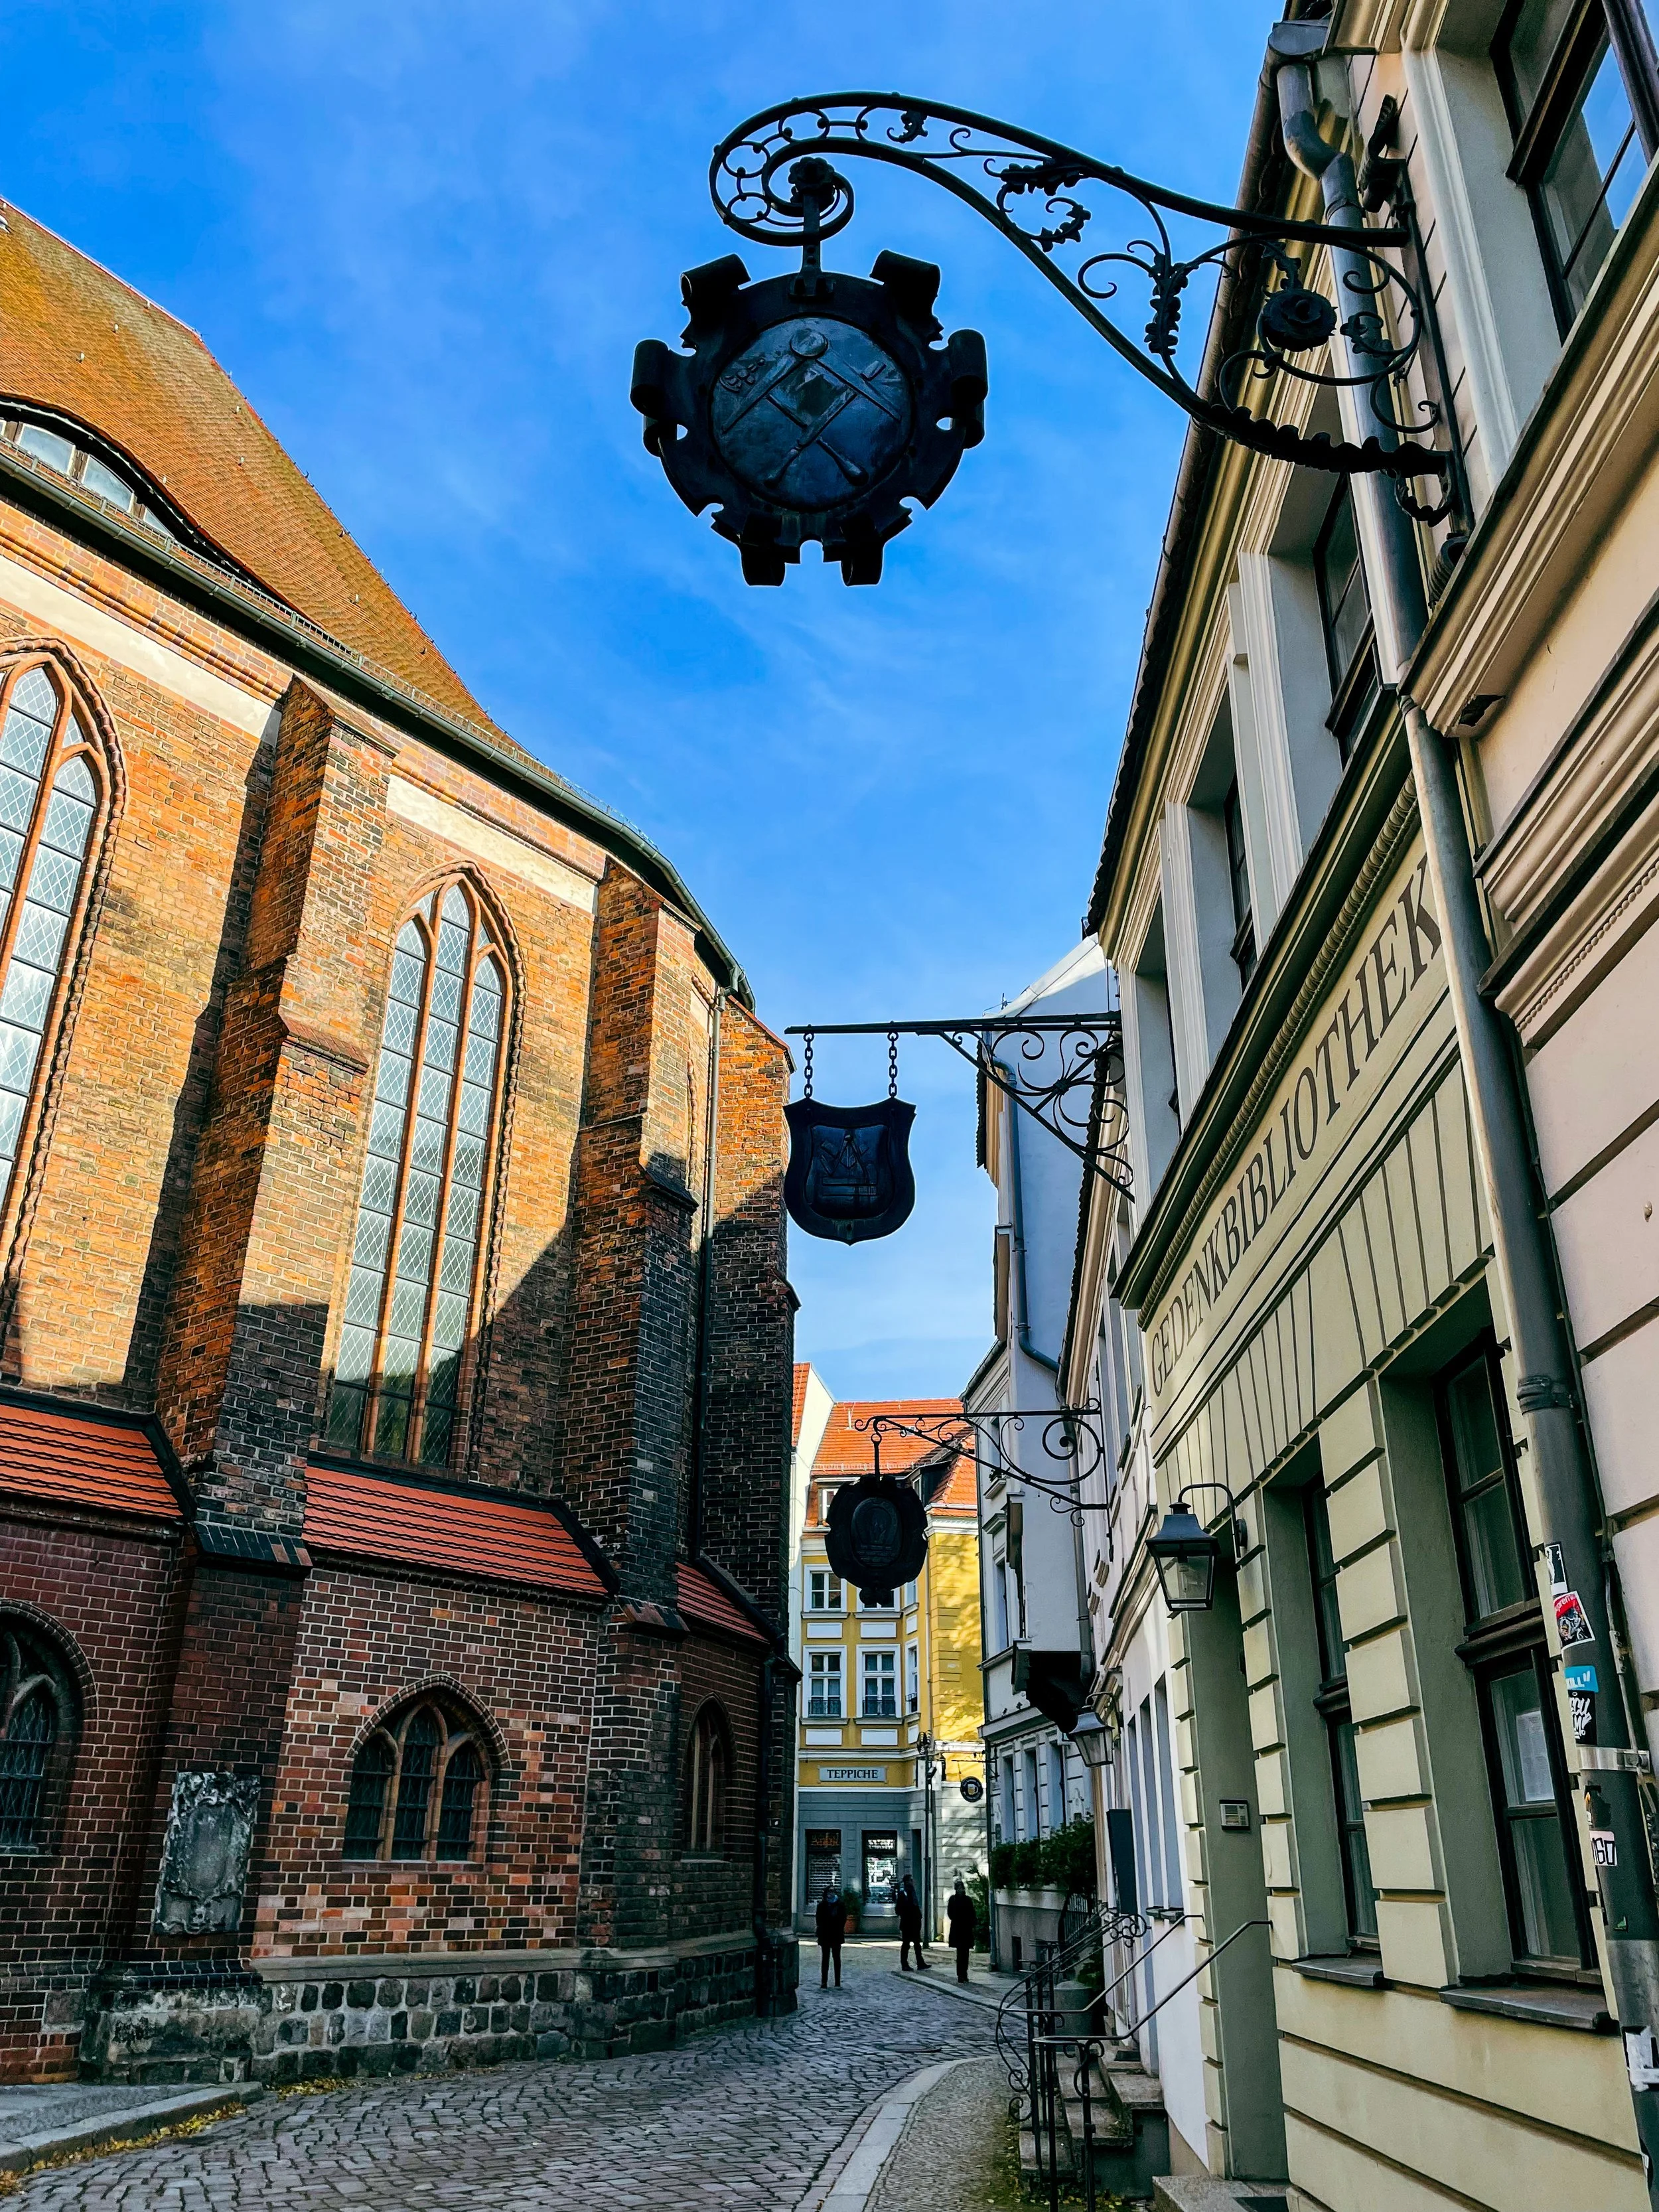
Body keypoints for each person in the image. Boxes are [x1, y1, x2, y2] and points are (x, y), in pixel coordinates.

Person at [946, 1876, 977, 1984]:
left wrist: (973, 1924)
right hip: (957, 1929)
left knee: (966, 1953)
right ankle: (960, 1974)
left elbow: (972, 1913)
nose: (961, 1890)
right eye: (959, 1888)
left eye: (962, 1888)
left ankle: (965, 1973)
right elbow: (950, 1913)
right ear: (956, 1889)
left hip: (967, 1929)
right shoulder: (953, 1900)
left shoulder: (968, 1900)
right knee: (960, 1953)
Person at [816, 1883, 847, 1988]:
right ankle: (824, 1982)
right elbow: (818, 1919)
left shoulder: (840, 1904)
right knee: (825, 1959)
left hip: (836, 1934)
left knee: (837, 1959)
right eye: (829, 1891)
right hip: (825, 1935)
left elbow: (843, 1918)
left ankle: (837, 1982)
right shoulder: (822, 1905)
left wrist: (839, 1927)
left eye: (833, 1891)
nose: (831, 1893)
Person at [896, 1874, 929, 1970]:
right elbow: (898, 1909)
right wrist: (907, 1914)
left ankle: (920, 1963)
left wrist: (918, 1916)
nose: (912, 1882)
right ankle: (904, 1965)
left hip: (915, 1922)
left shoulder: (912, 1892)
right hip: (907, 1923)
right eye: (910, 1880)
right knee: (906, 1944)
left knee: (917, 1944)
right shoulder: (903, 1893)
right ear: (907, 1882)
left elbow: (915, 1906)